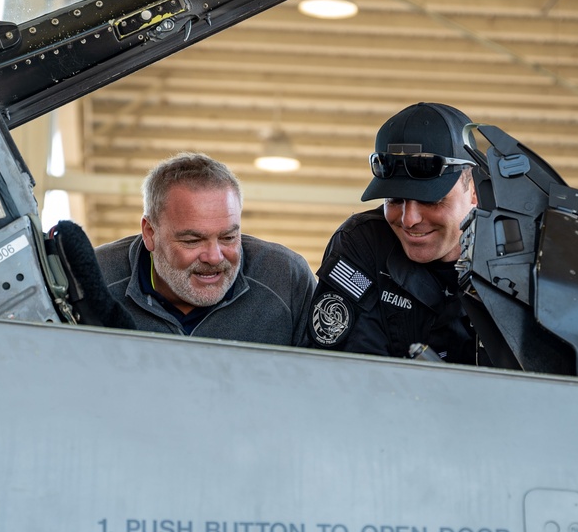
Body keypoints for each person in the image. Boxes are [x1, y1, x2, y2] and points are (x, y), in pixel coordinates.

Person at [308, 102, 478, 363]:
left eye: (431, 200)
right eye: (394, 200)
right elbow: (347, 374)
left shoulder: (522, 255)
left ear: (474, 191)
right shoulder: (363, 243)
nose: (409, 220)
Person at [94, 152, 315, 346]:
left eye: (228, 237)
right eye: (192, 240)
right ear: (150, 233)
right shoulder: (94, 280)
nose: (214, 257)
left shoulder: (286, 280)